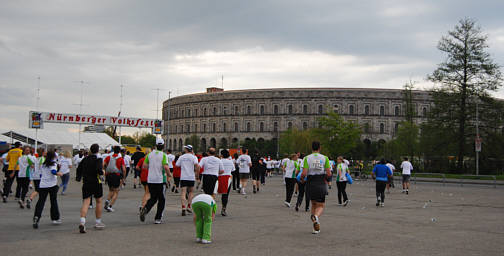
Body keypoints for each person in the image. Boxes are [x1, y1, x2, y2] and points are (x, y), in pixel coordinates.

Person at [300, 141, 332, 234]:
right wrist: (327, 179)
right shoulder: (325, 158)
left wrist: (302, 179)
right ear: (319, 148)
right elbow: (329, 173)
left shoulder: (306, 158)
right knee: (321, 205)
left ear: (312, 148)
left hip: (310, 182)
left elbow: (304, 173)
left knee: (313, 204)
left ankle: (315, 227)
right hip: (320, 181)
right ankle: (316, 217)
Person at [140, 138, 171, 224]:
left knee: (153, 198)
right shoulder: (164, 155)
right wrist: (169, 174)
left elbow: (144, 166)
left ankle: (146, 208)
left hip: (150, 179)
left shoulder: (149, 155)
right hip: (159, 180)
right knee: (161, 199)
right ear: (163, 146)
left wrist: (152, 167)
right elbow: (165, 167)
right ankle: (158, 218)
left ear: (156, 146)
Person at [76, 144, 105, 233]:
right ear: (98, 150)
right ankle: (98, 222)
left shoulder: (85, 159)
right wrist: (102, 172)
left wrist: (78, 178)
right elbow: (98, 169)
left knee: (86, 202)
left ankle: (82, 222)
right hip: (96, 182)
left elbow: (79, 169)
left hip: (86, 182)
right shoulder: (98, 159)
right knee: (99, 201)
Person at [33, 150, 63, 229]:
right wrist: (58, 173)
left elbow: (40, 174)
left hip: (43, 185)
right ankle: (55, 218)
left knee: (41, 202)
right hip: (52, 185)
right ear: (53, 157)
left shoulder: (43, 164)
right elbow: (53, 171)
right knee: (53, 201)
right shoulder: (53, 164)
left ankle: (36, 217)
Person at [176, 145, 200, 216]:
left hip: (183, 177)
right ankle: (189, 206)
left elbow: (177, 165)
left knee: (183, 192)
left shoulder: (182, 157)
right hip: (191, 177)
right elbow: (197, 166)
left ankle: (183, 207)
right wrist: (197, 175)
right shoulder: (194, 157)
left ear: (186, 149)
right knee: (191, 192)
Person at [103, 146, 126, 212]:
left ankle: (107, 200)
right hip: (116, 175)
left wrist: (105, 171)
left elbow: (103, 164)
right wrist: (124, 177)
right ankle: (110, 206)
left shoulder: (108, 157)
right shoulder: (120, 159)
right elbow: (124, 169)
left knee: (111, 189)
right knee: (116, 191)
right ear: (119, 151)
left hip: (109, 175)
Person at [217, 149, 234, 216]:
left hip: (219, 178)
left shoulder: (219, 161)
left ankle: (211, 209)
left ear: (221, 155)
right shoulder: (230, 162)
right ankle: (224, 208)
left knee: (214, 194)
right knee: (225, 195)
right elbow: (233, 170)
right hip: (228, 178)